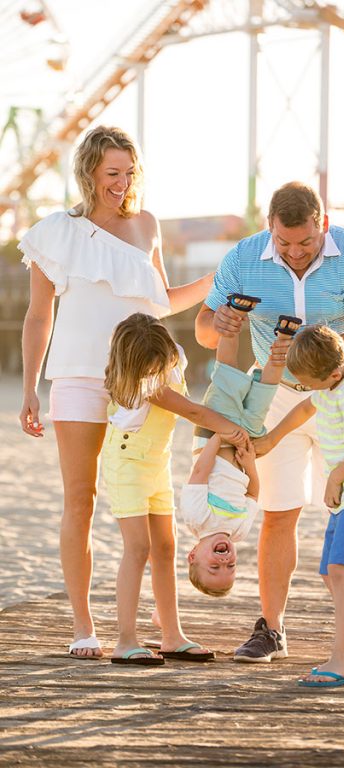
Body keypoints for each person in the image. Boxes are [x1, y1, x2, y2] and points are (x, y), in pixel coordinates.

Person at [18, 125, 213, 658]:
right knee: (81, 499)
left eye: (129, 172)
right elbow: (39, 315)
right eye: (112, 173)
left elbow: (162, 300)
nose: (122, 183)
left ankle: (169, 631)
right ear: (88, 172)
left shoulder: (146, 225)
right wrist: (30, 385)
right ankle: (85, 627)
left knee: (157, 509)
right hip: (78, 375)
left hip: (144, 378)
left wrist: (218, 282)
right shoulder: (56, 232)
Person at [194, 181, 344, 663]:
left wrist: (311, 366)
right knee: (279, 511)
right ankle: (272, 629)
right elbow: (202, 329)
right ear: (270, 229)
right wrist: (217, 324)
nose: (296, 253)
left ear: (322, 224)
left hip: (341, 391)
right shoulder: (243, 258)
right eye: (284, 243)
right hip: (274, 396)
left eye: (306, 242)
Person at [101, 313, 251, 664]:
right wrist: (231, 431)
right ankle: (126, 640)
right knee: (138, 549)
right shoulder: (144, 384)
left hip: (157, 464)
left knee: (165, 548)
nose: (159, 368)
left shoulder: (174, 358)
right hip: (127, 464)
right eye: (151, 366)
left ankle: (172, 635)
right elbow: (194, 412)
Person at [255, 325, 344, 686]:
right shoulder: (330, 385)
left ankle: (343, 658)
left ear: (333, 373)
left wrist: (334, 479)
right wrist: (271, 439)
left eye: (311, 382)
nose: (308, 389)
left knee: (341, 570)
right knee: (331, 573)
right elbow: (305, 409)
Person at [180, 307, 293, 597]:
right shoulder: (240, 531)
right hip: (245, 446)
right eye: (230, 568)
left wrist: (220, 434)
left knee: (227, 375)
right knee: (266, 390)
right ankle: (284, 337)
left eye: (214, 567)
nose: (224, 562)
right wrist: (250, 463)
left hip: (214, 437)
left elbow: (200, 472)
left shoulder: (197, 518)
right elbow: (253, 493)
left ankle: (234, 315)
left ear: (193, 554)